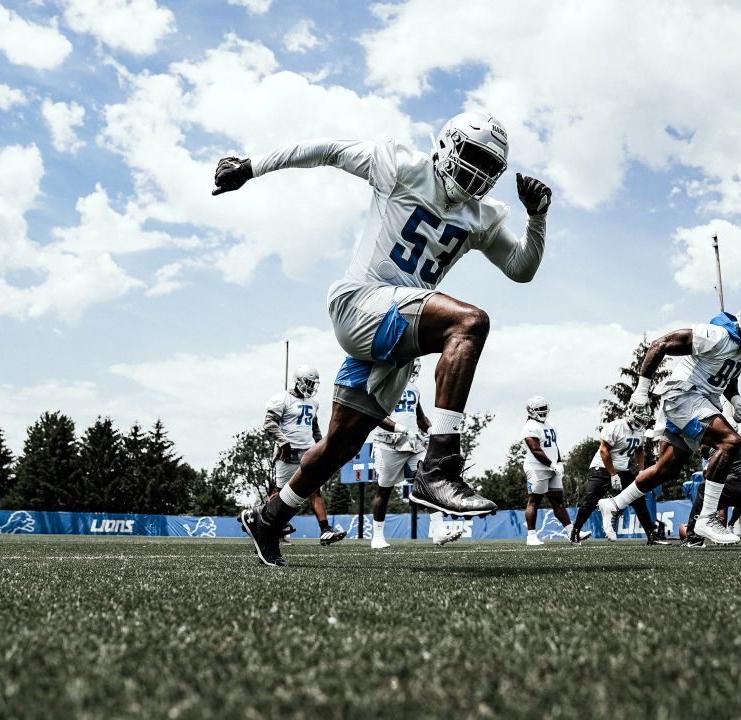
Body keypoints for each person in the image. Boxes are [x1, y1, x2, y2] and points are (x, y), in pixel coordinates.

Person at [216, 111, 553, 566]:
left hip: (398, 334)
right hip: (362, 303)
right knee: (469, 323)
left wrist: (538, 218)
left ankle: (270, 518)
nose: (478, 172)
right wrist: (251, 166)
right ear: (447, 145)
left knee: (341, 443)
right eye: (472, 156)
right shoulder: (403, 166)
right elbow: (327, 149)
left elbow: (521, 269)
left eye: (490, 166)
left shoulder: (480, 216)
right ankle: (439, 467)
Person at [597, 300, 741, 545]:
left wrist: (736, 400)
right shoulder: (716, 335)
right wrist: (642, 391)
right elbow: (660, 344)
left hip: (701, 401)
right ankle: (707, 517)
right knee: (729, 442)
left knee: (666, 469)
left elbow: (728, 375)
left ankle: (614, 504)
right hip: (683, 395)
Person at [369, 359, 463, 549]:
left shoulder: (414, 388)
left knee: (429, 480)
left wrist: (434, 432)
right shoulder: (386, 383)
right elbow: (376, 415)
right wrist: (400, 428)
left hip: (412, 443)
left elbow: (420, 418)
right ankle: (377, 535)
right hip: (389, 443)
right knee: (384, 489)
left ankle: (438, 530)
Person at [263, 366, 347, 546]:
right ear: (299, 380)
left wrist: (322, 446)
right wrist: (283, 441)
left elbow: (314, 428)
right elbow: (269, 422)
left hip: (308, 453)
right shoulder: (282, 398)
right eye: (308, 383)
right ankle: (272, 529)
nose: (310, 387)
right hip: (288, 454)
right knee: (280, 494)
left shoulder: (313, 403)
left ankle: (325, 530)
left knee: (315, 490)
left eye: (313, 384)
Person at [571, 406, 668, 545]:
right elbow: (604, 451)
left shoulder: (639, 431)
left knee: (638, 499)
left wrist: (640, 470)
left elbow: (639, 451)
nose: (641, 424)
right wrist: (613, 474)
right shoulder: (615, 426)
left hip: (622, 470)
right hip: (602, 467)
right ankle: (575, 532)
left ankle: (651, 536)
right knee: (590, 501)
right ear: (630, 415)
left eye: (643, 421)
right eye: (639, 420)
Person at [519, 396, 587, 545]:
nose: (542, 412)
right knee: (534, 501)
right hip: (537, 468)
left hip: (552, 466)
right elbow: (536, 450)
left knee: (558, 503)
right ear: (531, 411)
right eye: (539, 409)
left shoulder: (549, 423)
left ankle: (572, 533)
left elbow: (554, 447)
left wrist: (559, 462)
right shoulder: (530, 426)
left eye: (544, 408)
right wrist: (552, 464)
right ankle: (531, 536)